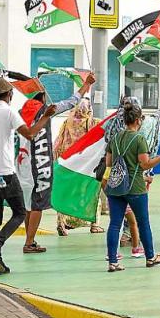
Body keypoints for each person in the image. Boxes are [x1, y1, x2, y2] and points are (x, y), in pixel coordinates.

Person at [0, 77, 56, 275]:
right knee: (20, 212)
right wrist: (46, 116)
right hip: (5, 173)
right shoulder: (9, 112)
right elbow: (30, 134)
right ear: (9, 94)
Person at [17, 73, 96, 254]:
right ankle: (29, 243)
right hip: (39, 164)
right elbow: (71, 102)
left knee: (29, 205)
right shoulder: (46, 110)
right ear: (43, 96)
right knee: (38, 204)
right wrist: (86, 85)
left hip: (22, 164)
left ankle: (30, 239)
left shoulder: (21, 112)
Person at [102, 101, 160, 272]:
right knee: (143, 223)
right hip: (135, 187)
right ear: (138, 120)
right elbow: (145, 164)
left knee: (114, 224)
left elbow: (109, 163)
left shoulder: (115, 138)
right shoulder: (139, 139)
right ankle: (150, 257)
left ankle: (113, 262)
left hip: (116, 186)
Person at [53, 98, 105, 235]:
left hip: (68, 162)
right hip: (86, 165)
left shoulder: (67, 122)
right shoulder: (94, 123)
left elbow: (58, 143)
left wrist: (56, 160)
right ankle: (94, 225)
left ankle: (61, 223)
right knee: (92, 192)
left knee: (65, 193)